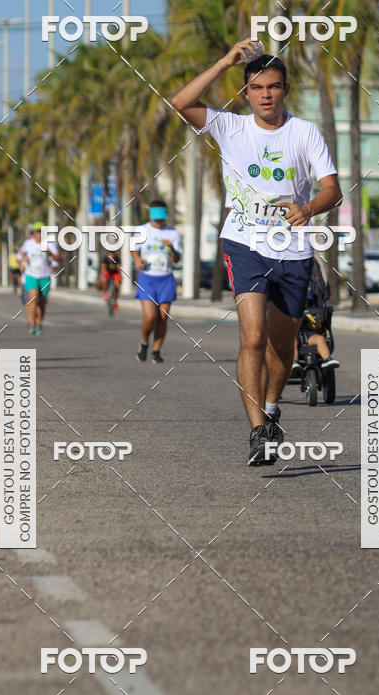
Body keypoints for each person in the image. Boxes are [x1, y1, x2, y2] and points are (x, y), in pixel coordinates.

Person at [172, 42, 342, 465]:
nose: (266, 94)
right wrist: (226, 62)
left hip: (293, 248)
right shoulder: (230, 128)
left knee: (281, 347)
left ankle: (270, 409)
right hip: (244, 243)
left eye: (273, 87)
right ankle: (256, 432)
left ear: (285, 90)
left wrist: (308, 209)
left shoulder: (305, 133)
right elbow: (181, 102)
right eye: (257, 87)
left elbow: (332, 191)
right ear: (246, 93)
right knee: (251, 338)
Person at [131, 200, 182, 363]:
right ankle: (144, 342)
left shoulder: (172, 232)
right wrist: (137, 259)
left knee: (163, 316)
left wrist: (171, 248)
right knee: (150, 316)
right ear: (151, 215)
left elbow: (176, 259)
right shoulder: (141, 230)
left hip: (166, 278)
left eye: (162, 218)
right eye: (157, 219)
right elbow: (133, 248)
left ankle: (156, 350)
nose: (160, 222)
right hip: (147, 278)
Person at [18, 222, 59, 335]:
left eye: (42, 232)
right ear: (34, 233)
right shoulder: (28, 243)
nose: (39, 234)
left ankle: (39, 323)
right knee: (33, 298)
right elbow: (23, 254)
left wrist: (49, 253)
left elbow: (57, 257)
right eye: (37, 232)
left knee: (42, 302)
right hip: (31, 275)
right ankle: (31, 323)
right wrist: (23, 262)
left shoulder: (49, 244)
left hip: (45, 276)